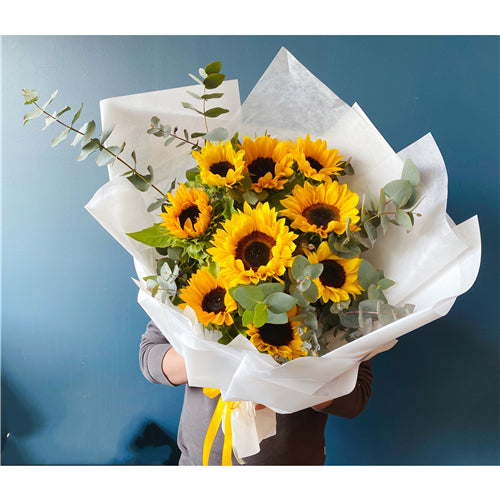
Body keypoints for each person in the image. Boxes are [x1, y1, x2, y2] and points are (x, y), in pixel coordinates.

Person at [139, 320, 374, 465]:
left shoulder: (328, 296)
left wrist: (300, 377)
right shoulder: (196, 274)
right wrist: (222, 358)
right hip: (198, 465)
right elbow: (150, 358)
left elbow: (356, 397)